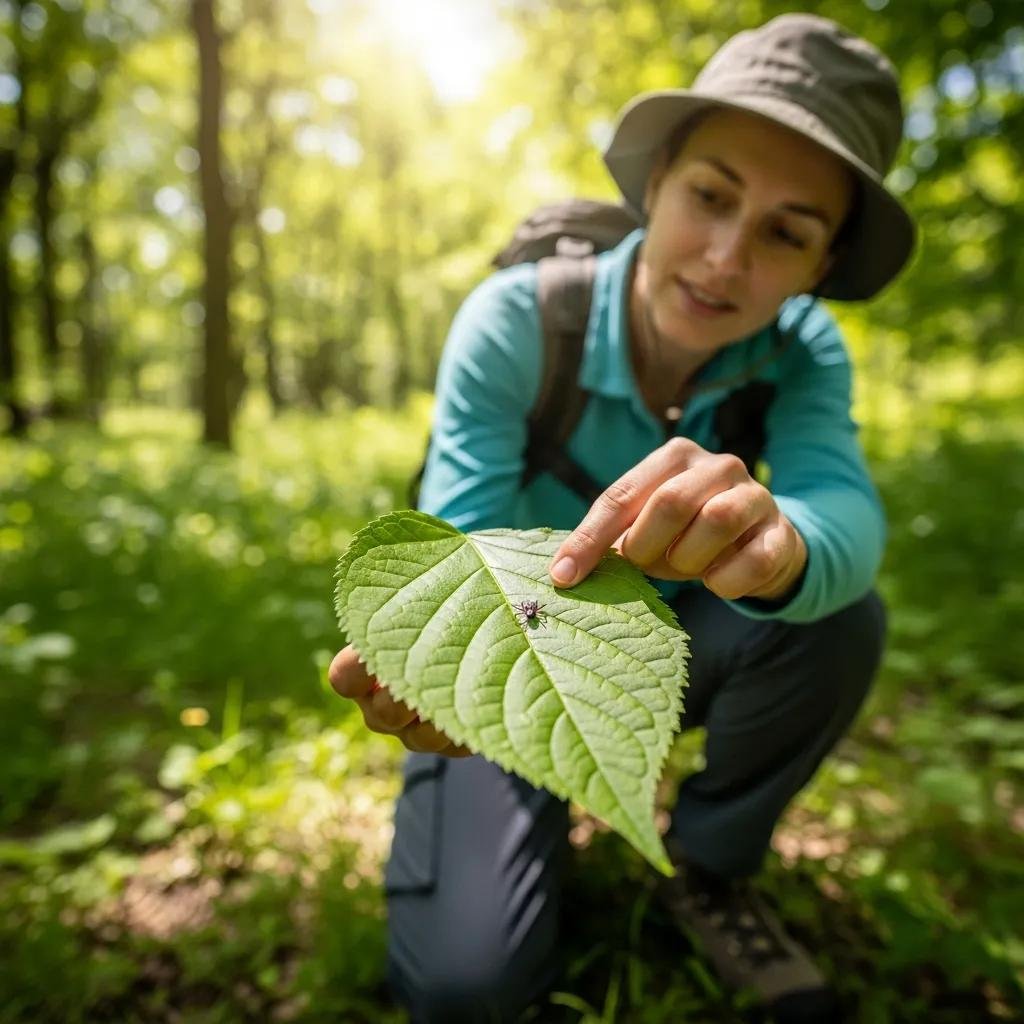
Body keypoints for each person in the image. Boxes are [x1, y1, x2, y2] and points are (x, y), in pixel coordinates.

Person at [330, 12, 916, 1023]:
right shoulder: (518, 320)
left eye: (784, 230)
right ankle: (537, 799)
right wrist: (457, 687)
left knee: (837, 616)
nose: (726, 257)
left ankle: (708, 865)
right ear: (654, 186)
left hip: (673, 641)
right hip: (508, 652)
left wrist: (780, 547)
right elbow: (458, 545)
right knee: (468, 991)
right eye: (709, 196)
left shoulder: (801, 352)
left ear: (820, 266)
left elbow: (843, 514)